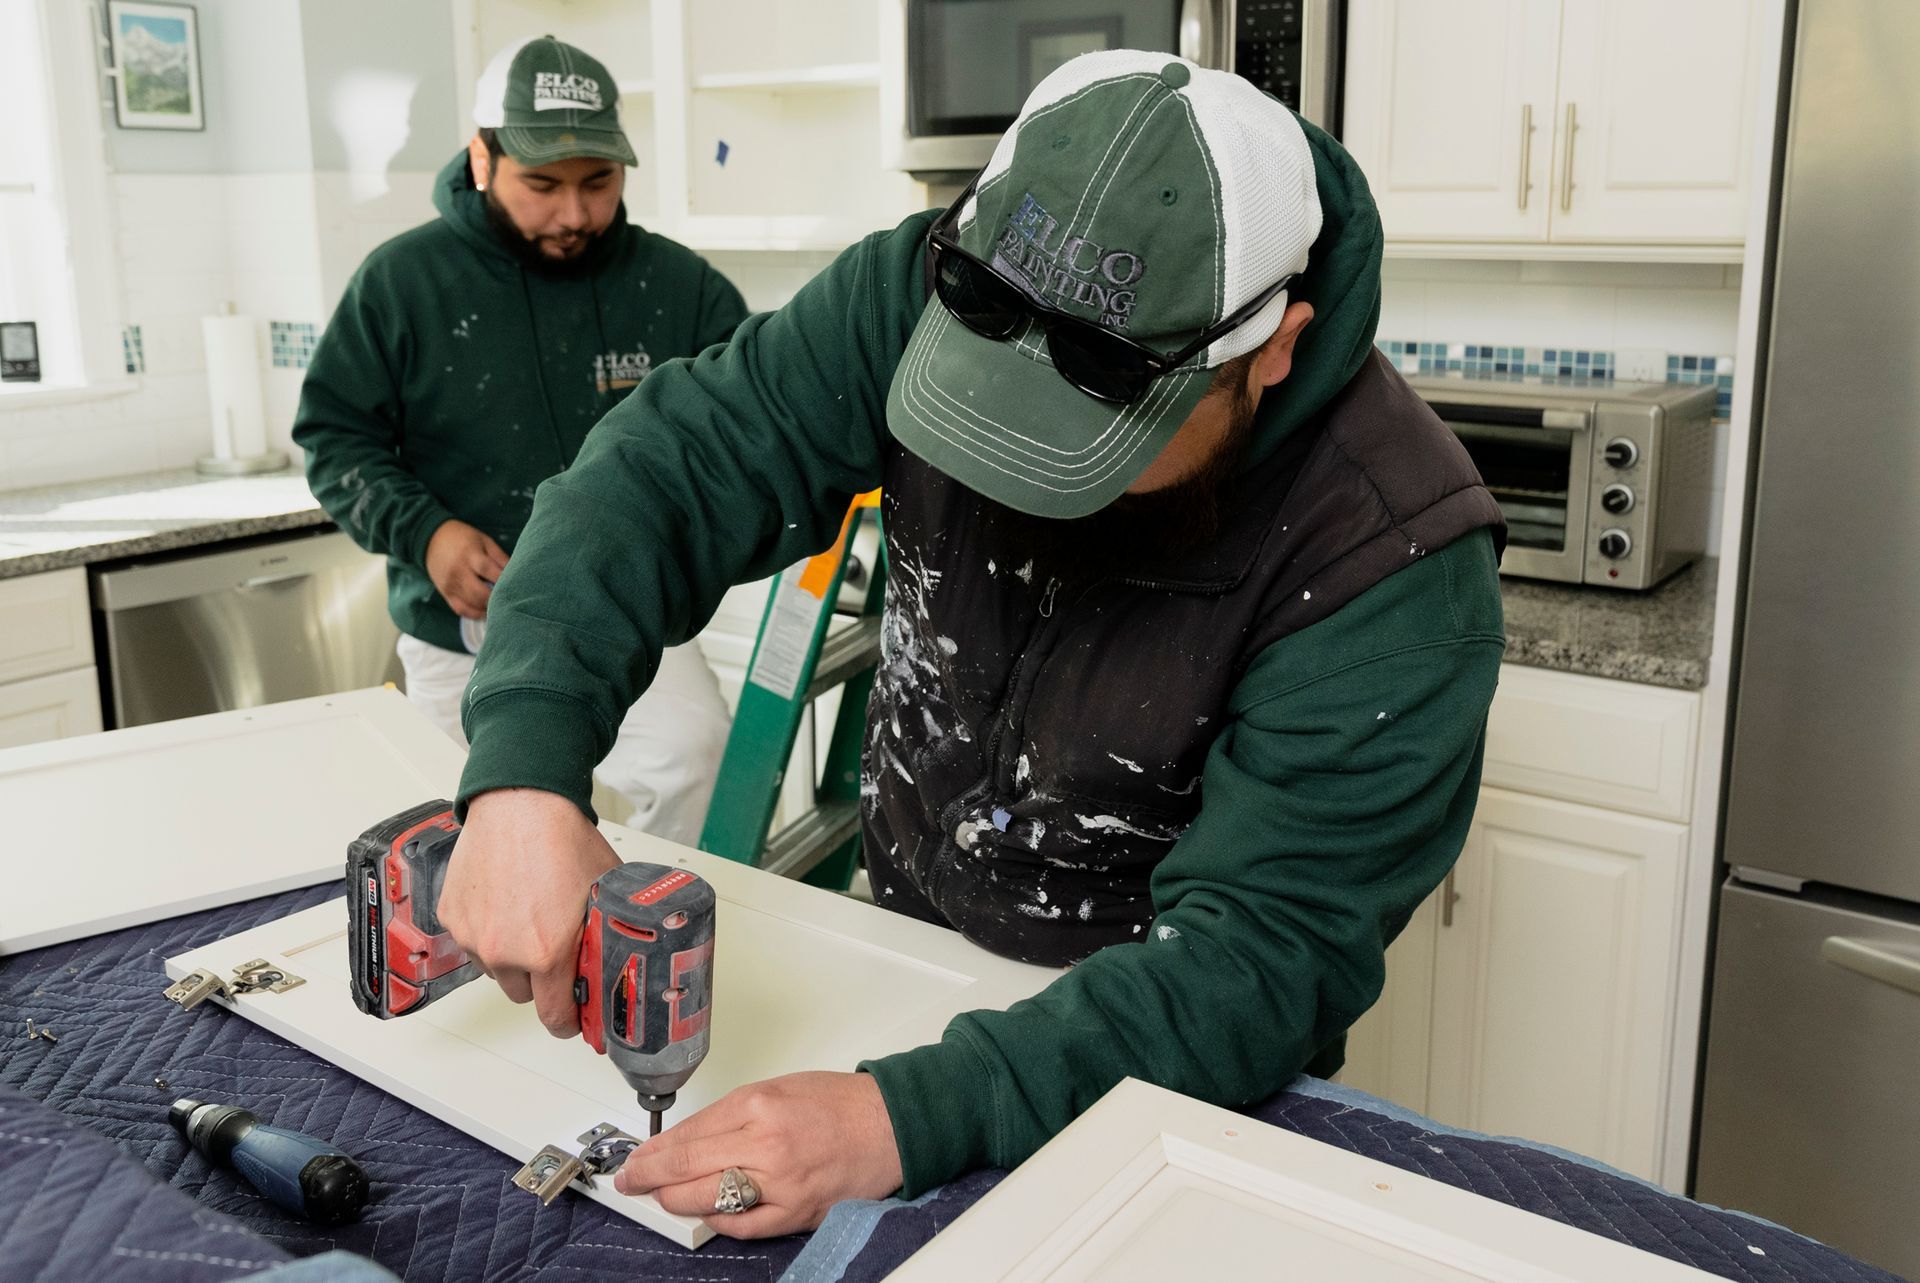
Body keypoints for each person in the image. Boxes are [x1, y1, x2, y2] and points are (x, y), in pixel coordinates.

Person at [439, 51, 1507, 1236]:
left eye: (1091, 439)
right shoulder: (928, 285)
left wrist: (912, 1116)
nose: (1015, 476)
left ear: (1272, 349)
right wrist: (526, 773)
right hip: (899, 967)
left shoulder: (1393, 555)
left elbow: (1261, 957)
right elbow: (662, 470)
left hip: (1164, 1068)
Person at [293, 36, 746, 844]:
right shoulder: (400, 285)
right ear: (481, 157)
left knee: (698, 758)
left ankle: (637, 954)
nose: (574, 214)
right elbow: (334, 439)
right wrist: (426, 534)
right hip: (459, 638)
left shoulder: (683, 290)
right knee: (456, 849)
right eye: (542, 184)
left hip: (632, 619)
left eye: (598, 183)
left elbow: (748, 432)